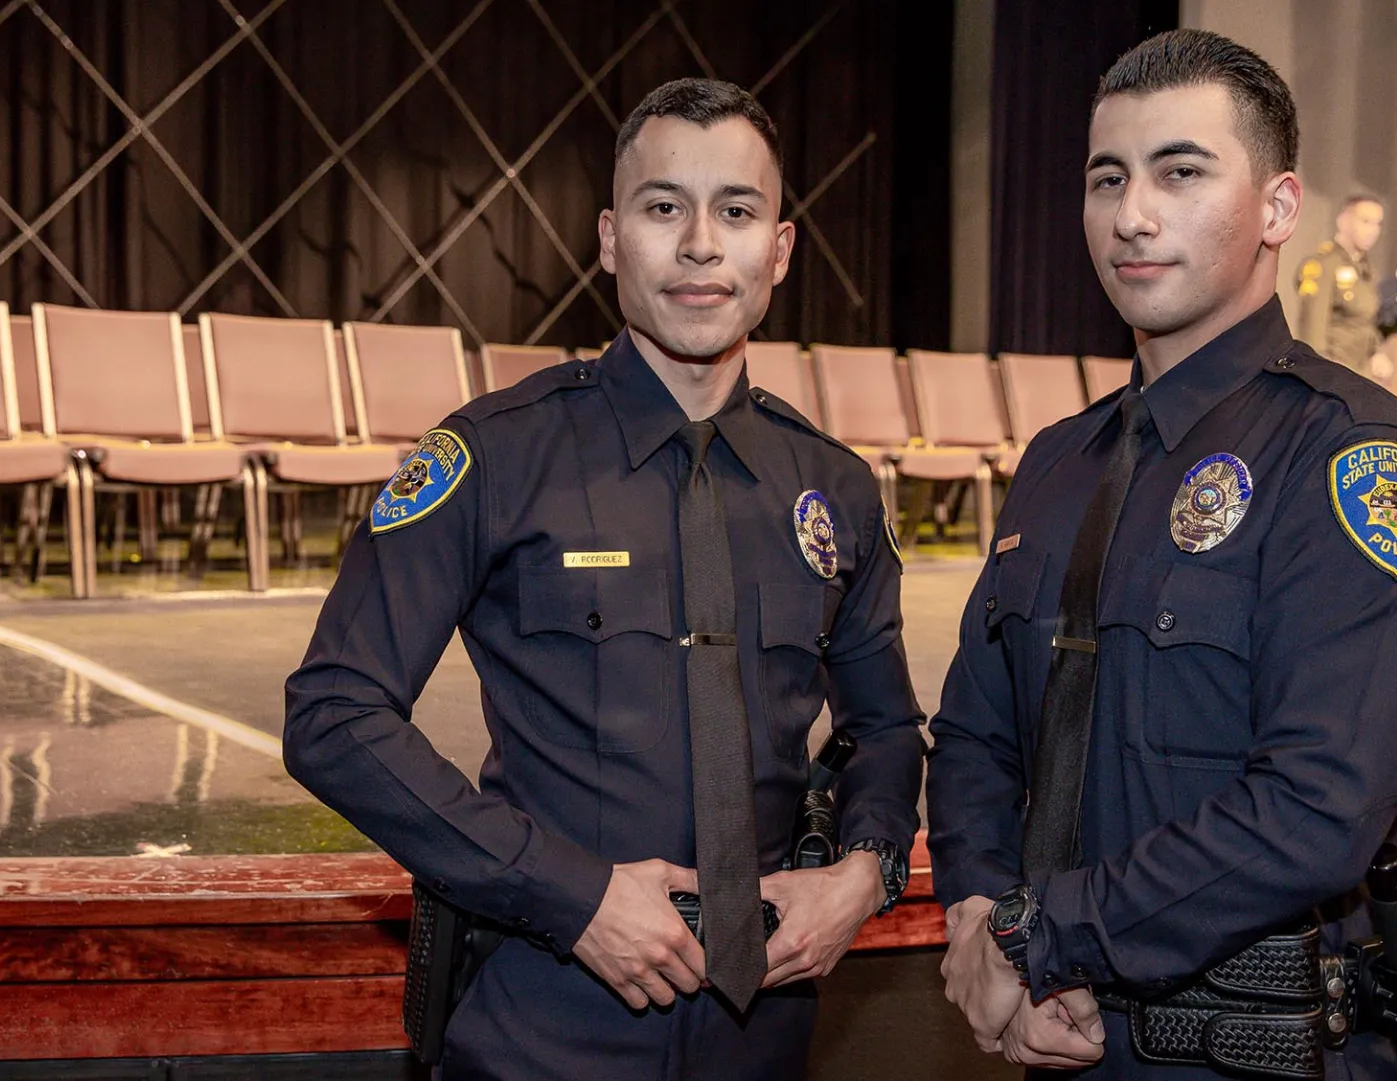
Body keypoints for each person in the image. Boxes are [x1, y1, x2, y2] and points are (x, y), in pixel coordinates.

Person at [283, 78, 923, 1080]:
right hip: (542, 1025)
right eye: (665, 208)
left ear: (781, 249)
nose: (703, 244)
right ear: (610, 238)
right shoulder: (491, 457)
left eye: (737, 211)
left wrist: (865, 871)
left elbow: (884, 727)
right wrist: (566, 892)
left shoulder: (833, 488)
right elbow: (333, 712)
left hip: (765, 1038)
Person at [927, 28, 1397, 1079]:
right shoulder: (1055, 463)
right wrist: (977, 917)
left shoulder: (1356, 461)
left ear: (1277, 209)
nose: (1132, 214)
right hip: (1051, 1040)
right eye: (1108, 178)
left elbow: (1317, 811)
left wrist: (1036, 938)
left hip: (1250, 1053)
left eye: (1181, 172)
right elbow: (973, 736)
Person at [1295, 194, 1387, 379]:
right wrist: (1319, 372)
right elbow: (1313, 327)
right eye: (1365, 221)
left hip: (1359, 372)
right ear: (1343, 222)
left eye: (1378, 224)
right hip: (1331, 372)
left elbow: (1366, 321)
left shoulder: (1366, 269)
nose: (1373, 230)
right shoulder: (1323, 265)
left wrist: (1376, 351)